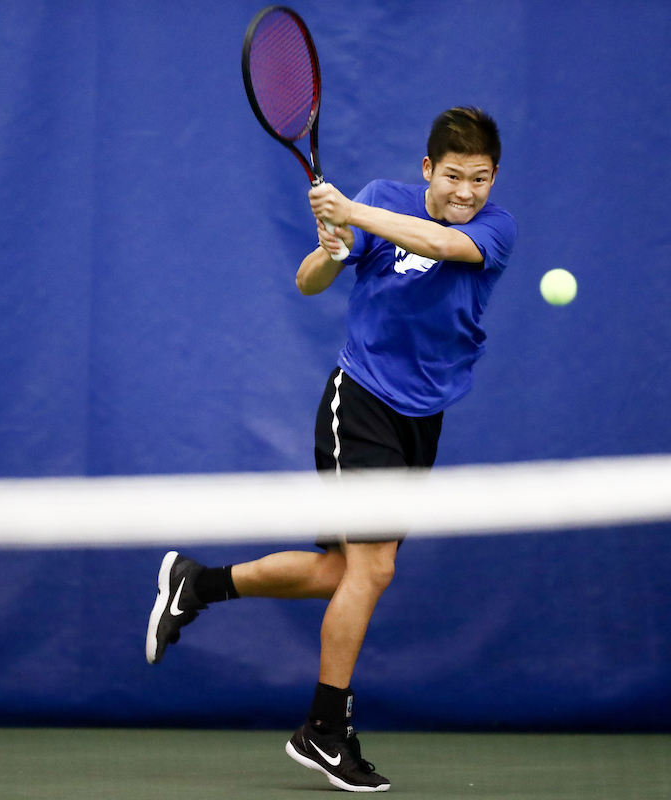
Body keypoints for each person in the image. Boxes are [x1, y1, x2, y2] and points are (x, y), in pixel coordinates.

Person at [146, 107, 517, 793]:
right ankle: (323, 727)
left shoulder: (494, 229)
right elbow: (308, 281)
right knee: (373, 573)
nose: (467, 192)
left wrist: (354, 215)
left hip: (422, 419)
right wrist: (334, 249)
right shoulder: (382, 200)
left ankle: (197, 584)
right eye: (454, 177)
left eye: (481, 178)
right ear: (427, 168)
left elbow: (439, 247)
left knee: (339, 572)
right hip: (364, 401)